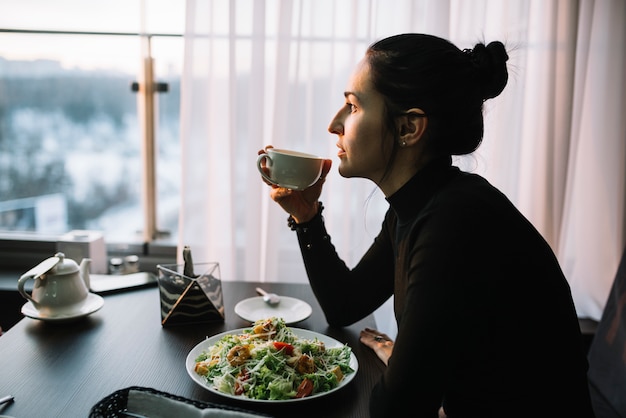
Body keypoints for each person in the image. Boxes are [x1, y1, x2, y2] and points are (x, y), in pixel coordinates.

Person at [259, 33, 595, 417]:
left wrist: (404, 370)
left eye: (352, 106)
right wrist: (306, 216)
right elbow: (345, 303)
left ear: (409, 128)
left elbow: (395, 410)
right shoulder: (424, 205)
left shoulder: (454, 223)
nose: (334, 124)